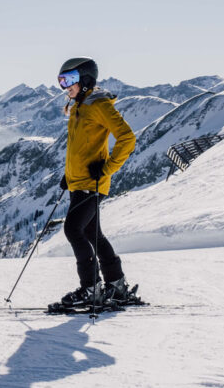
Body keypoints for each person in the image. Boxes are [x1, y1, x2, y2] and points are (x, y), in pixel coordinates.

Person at [55, 57, 138, 309]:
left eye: (69, 80)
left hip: (92, 183)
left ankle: (91, 289)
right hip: (78, 182)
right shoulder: (79, 106)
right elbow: (81, 148)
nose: (64, 86)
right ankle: (116, 284)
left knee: (73, 230)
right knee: (92, 232)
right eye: (60, 81)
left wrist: (107, 168)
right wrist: (68, 176)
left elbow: (127, 138)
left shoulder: (98, 104)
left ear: (85, 79)